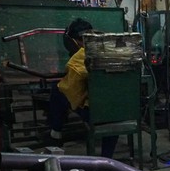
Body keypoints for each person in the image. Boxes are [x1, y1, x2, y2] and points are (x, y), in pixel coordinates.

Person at [47, 18, 118, 159]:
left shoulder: (80, 57)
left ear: (75, 40)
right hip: (120, 111)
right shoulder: (110, 50)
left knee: (58, 90)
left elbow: (70, 90)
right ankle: (107, 158)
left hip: (95, 114)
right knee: (111, 109)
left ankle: (56, 133)